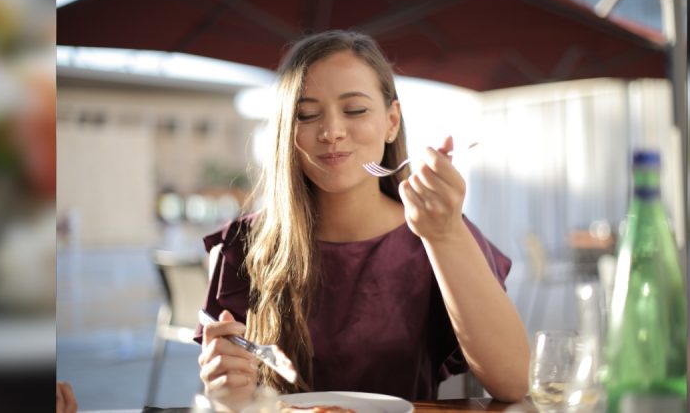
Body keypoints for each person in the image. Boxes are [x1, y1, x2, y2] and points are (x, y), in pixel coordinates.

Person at [194, 30, 529, 410]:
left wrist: (445, 235)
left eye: (355, 110)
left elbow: (514, 382)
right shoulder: (243, 244)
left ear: (391, 121)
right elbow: (234, 397)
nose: (332, 132)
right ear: (287, 130)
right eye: (306, 114)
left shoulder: (438, 230)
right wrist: (227, 391)